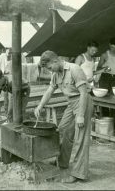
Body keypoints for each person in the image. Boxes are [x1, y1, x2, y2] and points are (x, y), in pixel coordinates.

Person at [34, 51, 93, 183]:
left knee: (81, 138)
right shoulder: (56, 74)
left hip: (83, 102)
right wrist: (40, 106)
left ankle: (78, 174)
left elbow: (83, 93)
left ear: (55, 61)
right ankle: (63, 163)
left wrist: (81, 115)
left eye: (49, 68)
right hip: (71, 103)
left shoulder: (74, 69)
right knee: (63, 129)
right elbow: (50, 90)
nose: (50, 71)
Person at [97, 37, 115, 134]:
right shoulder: (104, 55)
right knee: (104, 101)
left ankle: (113, 127)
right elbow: (98, 67)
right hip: (104, 78)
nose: (114, 50)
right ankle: (105, 126)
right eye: (113, 47)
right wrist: (104, 68)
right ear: (110, 45)